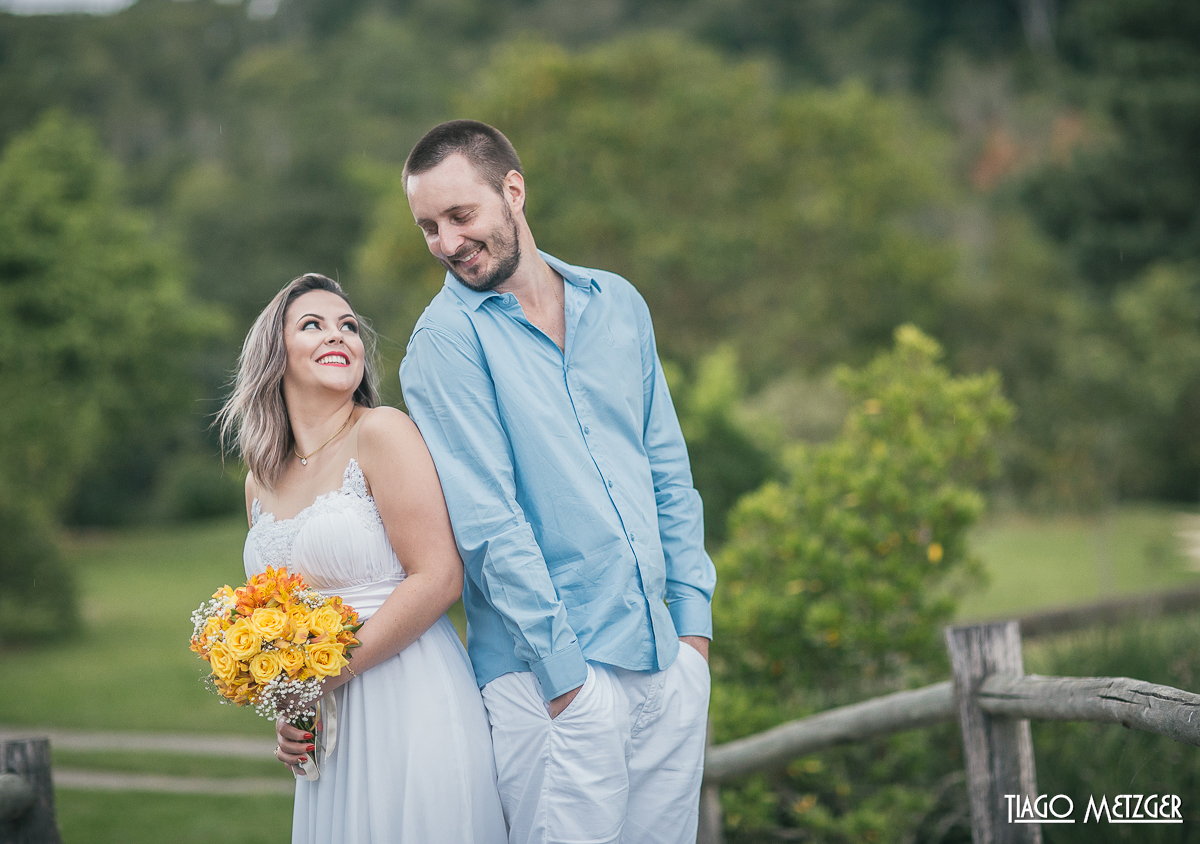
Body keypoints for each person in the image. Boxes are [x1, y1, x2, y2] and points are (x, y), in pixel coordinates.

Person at [399, 120, 717, 844]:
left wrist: (693, 629)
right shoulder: (445, 345)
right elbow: (488, 522)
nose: (446, 243)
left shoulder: (619, 304)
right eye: (428, 227)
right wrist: (566, 679)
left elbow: (668, 470)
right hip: (549, 683)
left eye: (460, 216)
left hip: (664, 656)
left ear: (513, 190)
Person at [220, 273, 507, 844]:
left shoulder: (381, 432)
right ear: (275, 355)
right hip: (329, 725)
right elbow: (281, 613)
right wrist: (290, 702)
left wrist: (328, 672)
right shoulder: (260, 481)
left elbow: (440, 577)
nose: (339, 336)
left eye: (348, 326)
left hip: (408, 692)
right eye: (313, 325)